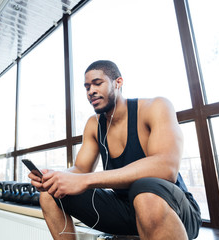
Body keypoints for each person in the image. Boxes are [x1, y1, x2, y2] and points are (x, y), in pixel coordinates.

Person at [28, 60, 202, 240]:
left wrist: (86, 180)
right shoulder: (94, 124)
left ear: (118, 82)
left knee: (144, 190)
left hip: (172, 209)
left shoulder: (155, 107)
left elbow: (166, 168)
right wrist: (56, 176)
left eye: (97, 83)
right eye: (87, 87)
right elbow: (80, 169)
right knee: (50, 194)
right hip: (127, 211)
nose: (91, 91)